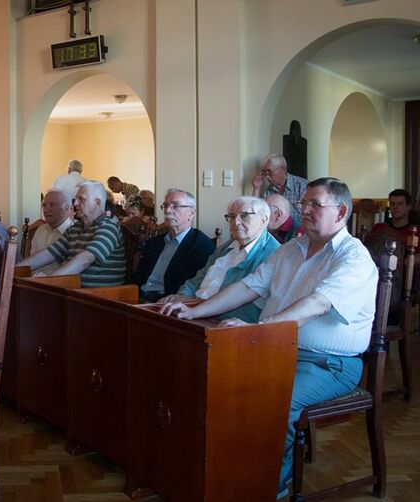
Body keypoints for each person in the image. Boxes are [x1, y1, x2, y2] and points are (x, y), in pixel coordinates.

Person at [160, 177, 377, 499]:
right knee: (214, 385)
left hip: (328, 364)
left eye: (315, 204)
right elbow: (249, 286)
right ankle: (221, 472)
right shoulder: (291, 248)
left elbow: (318, 304)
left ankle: (267, 488)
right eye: (304, 203)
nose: (305, 210)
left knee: (271, 400)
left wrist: (262, 328)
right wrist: (196, 311)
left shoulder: (353, 257)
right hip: (274, 349)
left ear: (341, 212)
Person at [159, 196, 280, 321]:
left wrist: (195, 305)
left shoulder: (273, 254)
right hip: (195, 313)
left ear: (264, 220)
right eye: (232, 217)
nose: (236, 222)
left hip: (222, 322)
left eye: (244, 216)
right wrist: (181, 297)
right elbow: (197, 279)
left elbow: (246, 304)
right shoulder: (225, 248)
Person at [17, 180, 125, 287]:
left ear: (97, 203)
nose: (75, 203)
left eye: (81, 199)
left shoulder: (109, 226)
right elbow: (49, 253)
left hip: (100, 295)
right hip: (74, 291)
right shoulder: (75, 228)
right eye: (76, 199)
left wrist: (48, 281)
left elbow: (85, 259)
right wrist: (12, 270)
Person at [132, 188, 214, 302]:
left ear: (191, 213)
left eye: (175, 206)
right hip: (137, 298)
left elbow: (194, 286)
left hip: (166, 303)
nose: (167, 210)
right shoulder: (154, 243)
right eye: (165, 206)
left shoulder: (201, 245)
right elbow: (138, 278)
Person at [28, 189, 74, 274]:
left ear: (68, 208)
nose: (46, 210)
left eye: (52, 205)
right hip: (33, 279)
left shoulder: (74, 233)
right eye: (44, 205)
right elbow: (31, 265)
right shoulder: (40, 230)